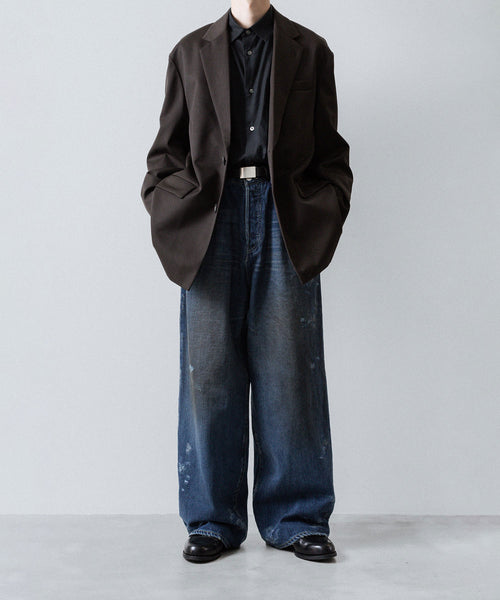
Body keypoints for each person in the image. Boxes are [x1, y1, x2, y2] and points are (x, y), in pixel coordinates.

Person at [140, 0, 353, 562]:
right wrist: (168, 207)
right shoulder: (190, 52)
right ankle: (212, 520)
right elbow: (166, 154)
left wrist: (325, 208)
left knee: (290, 371)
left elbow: (331, 152)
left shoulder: (311, 49)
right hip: (210, 218)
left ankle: (298, 518)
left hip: (286, 215)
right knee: (209, 374)